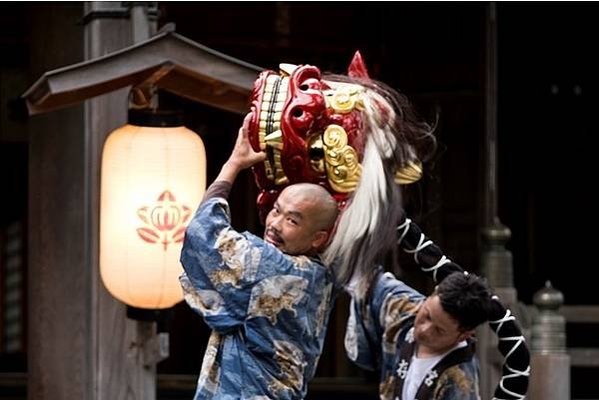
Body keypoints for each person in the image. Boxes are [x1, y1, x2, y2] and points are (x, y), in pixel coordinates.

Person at [179, 114, 340, 399]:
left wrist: (234, 164)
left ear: (318, 238)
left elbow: (203, 233)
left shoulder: (276, 268)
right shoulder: (322, 275)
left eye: (292, 220)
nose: (275, 224)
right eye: (276, 210)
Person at [344, 217, 530, 400]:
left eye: (439, 330)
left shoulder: (460, 382)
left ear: (464, 334)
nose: (424, 329)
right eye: (426, 315)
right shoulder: (407, 308)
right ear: (433, 294)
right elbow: (364, 279)